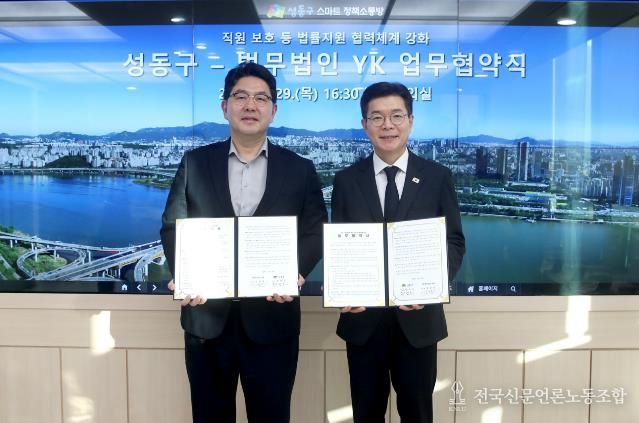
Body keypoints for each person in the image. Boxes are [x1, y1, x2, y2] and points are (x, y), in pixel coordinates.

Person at [160, 62, 327, 423]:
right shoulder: (195, 163)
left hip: (272, 319)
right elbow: (173, 226)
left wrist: (295, 271)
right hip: (207, 320)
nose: (251, 105)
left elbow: (315, 230)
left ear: (274, 110)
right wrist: (185, 274)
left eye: (261, 98)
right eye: (241, 97)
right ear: (225, 106)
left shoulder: (300, 168)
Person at [330, 82, 465, 423]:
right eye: (377, 117)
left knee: (417, 413)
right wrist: (343, 288)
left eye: (396, 116)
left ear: (411, 121)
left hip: (419, 323)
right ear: (365, 125)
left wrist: (431, 285)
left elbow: (454, 242)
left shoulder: (437, 177)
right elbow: (339, 245)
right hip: (363, 321)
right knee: (366, 413)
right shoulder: (346, 180)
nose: (387, 125)